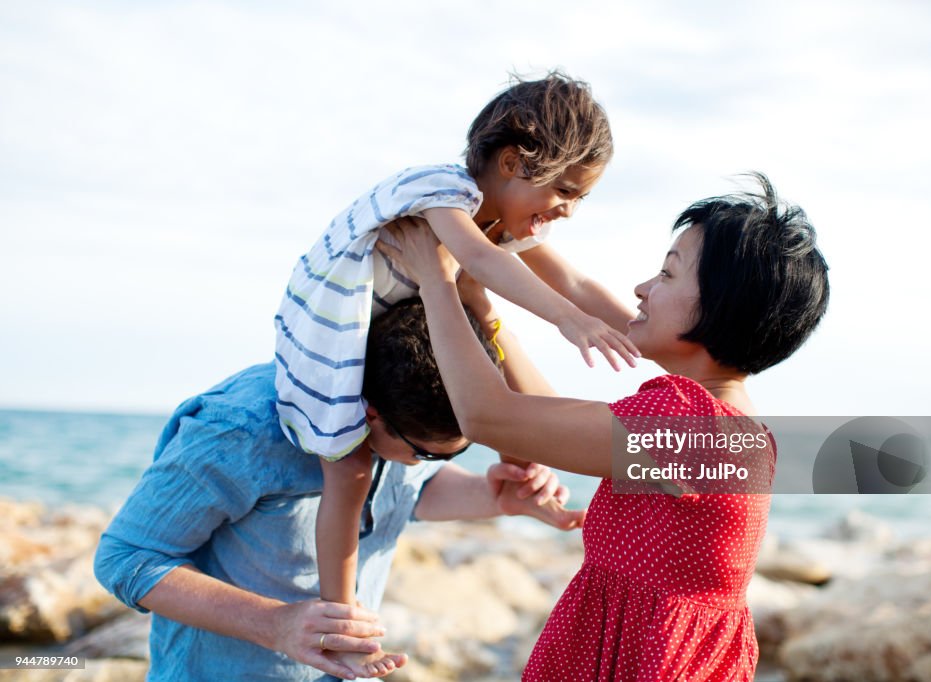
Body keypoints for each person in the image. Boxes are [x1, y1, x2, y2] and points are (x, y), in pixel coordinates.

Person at [380, 173, 830, 681]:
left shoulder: (689, 428)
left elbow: (488, 418)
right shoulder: (726, 428)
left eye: (667, 274)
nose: (642, 288)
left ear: (721, 308)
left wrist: (436, 280)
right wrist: (485, 308)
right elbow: (549, 419)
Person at [275, 71, 639, 676]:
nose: (569, 211)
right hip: (324, 347)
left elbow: (573, 280)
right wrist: (568, 321)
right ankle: (340, 621)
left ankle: (522, 469)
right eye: (566, 191)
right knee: (351, 469)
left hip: (381, 334)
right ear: (511, 162)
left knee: (483, 360)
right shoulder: (441, 191)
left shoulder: (501, 225)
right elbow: (477, 261)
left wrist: (653, 338)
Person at [94, 298, 584, 681]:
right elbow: (126, 557)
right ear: (371, 413)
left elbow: (403, 489)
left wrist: (491, 497)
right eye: (432, 452)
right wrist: (276, 623)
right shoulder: (242, 426)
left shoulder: (406, 406)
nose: (436, 462)